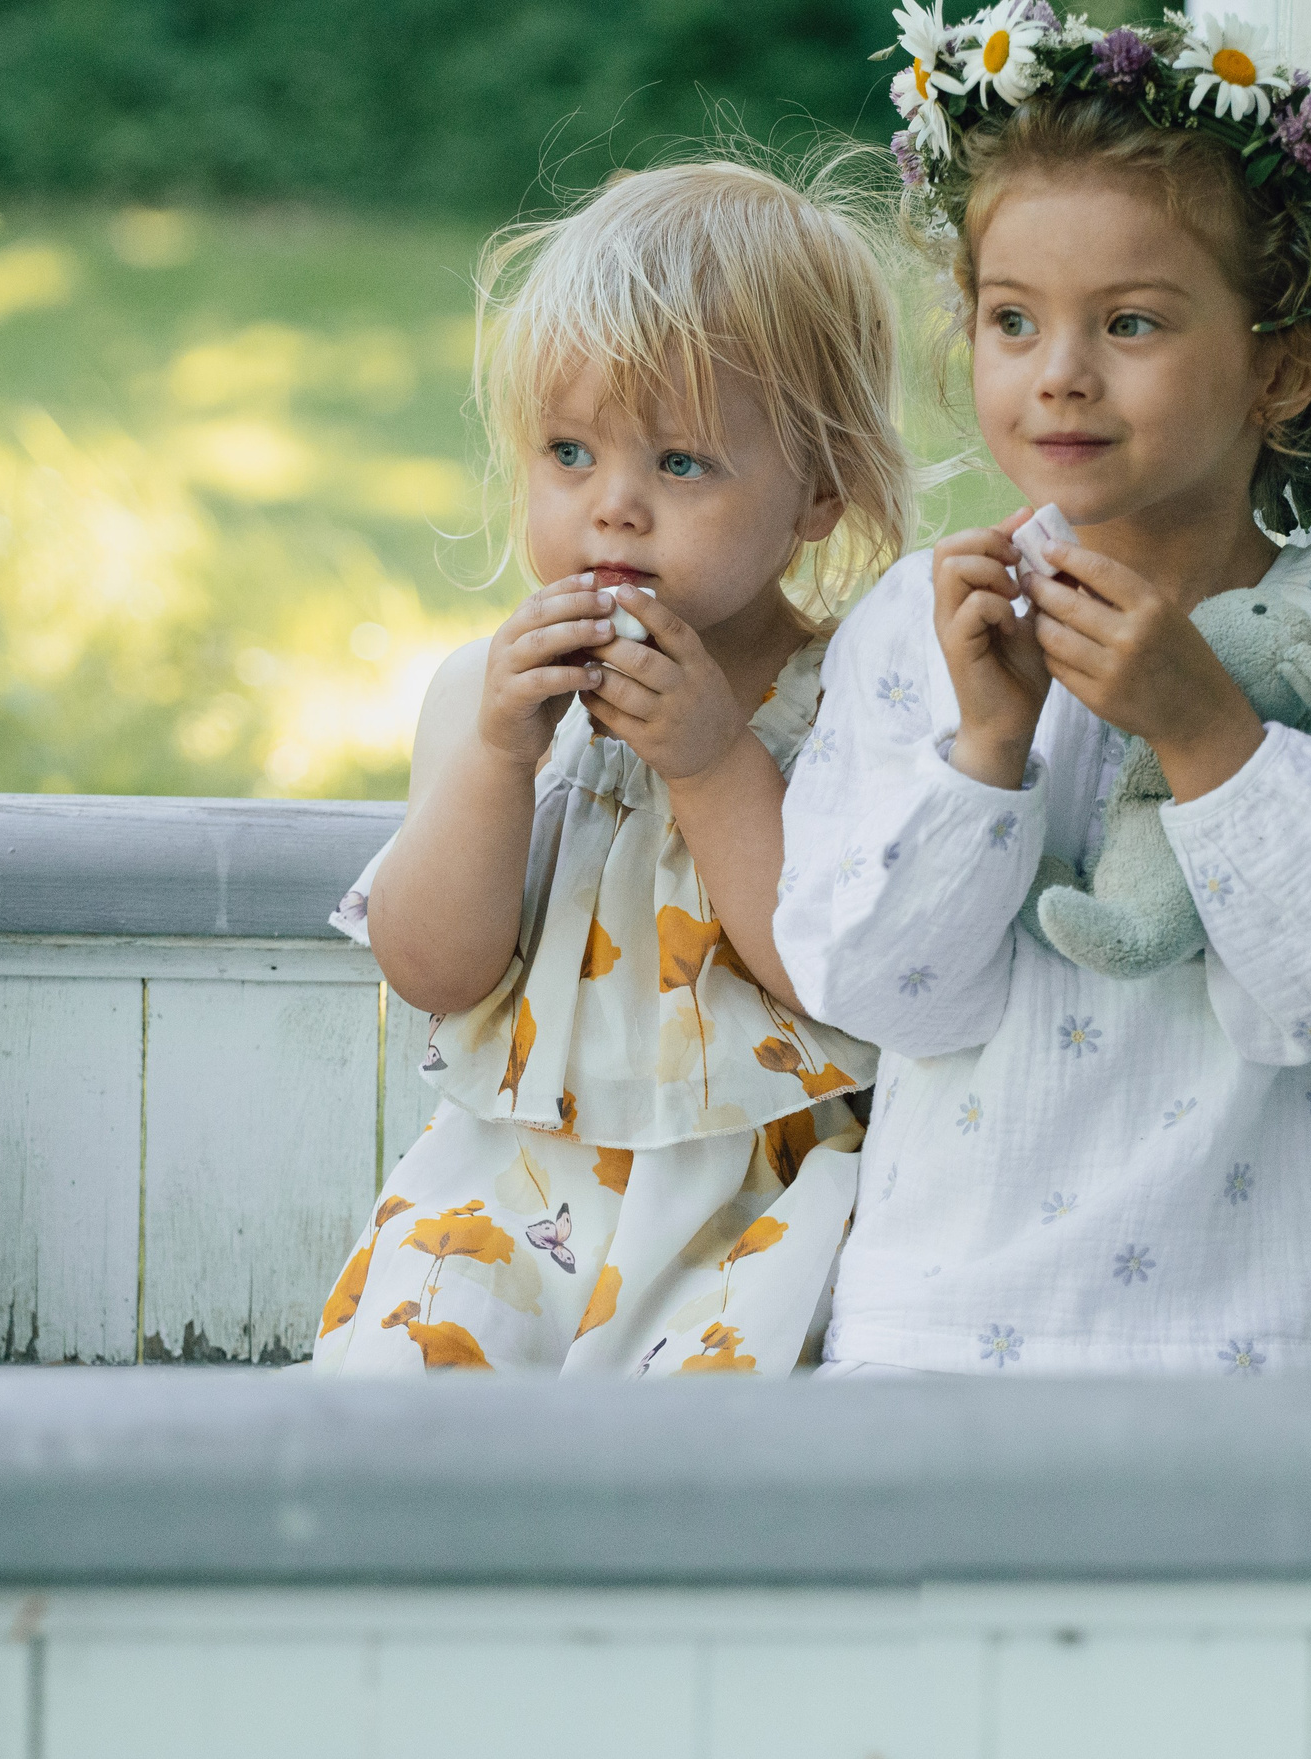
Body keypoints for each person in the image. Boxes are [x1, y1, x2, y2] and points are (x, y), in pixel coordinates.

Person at [773, 9, 1311, 1377]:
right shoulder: (928, 620)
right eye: (1013, 319)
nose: (1060, 372)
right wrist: (987, 747)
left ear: (1282, 368)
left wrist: (1207, 729)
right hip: (940, 1335)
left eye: (1130, 321)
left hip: (1259, 1339)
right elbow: (877, 992)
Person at [313, 156, 915, 1375]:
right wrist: (495, 758)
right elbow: (433, 970)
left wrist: (710, 760)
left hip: (764, 1196)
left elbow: (834, 975)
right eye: (569, 453)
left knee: (710, 1447)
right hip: (514, 1184)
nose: (614, 508)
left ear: (819, 491)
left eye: (680, 464)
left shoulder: (855, 696)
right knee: (396, 1391)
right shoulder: (482, 702)